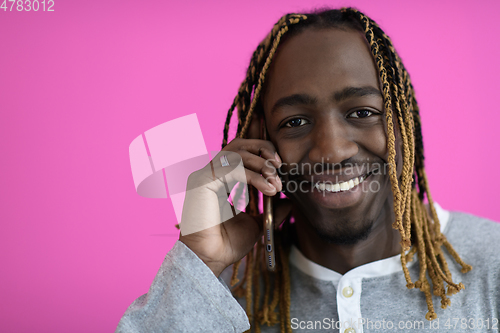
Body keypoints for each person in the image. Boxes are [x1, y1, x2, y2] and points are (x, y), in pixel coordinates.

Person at [116, 8, 500, 333]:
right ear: (259, 139)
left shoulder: (491, 260)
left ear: (404, 126)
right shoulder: (215, 292)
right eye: (295, 122)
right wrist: (203, 260)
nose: (331, 150)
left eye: (362, 113)